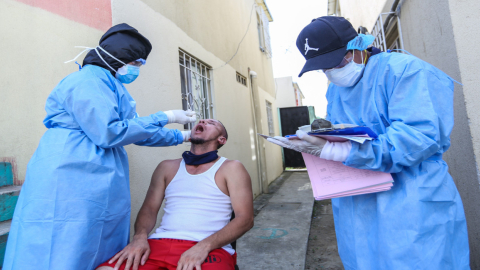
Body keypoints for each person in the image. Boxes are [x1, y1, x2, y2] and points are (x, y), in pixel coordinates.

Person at [268, 16, 470, 269]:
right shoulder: (335, 90)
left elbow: (417, 139)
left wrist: (336, 149)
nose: (331, 71)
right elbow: (342, 133)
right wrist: (322, 142)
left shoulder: (405, 71)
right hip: (357, 204)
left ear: (357, 46)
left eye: (335, 62)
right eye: (323, 67)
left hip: (410, 202)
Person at [3, 23, 197, 270]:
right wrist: (164, 116)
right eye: (136, 63)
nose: (137, 69)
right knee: (64, 240)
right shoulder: (88, 81)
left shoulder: (112, 84)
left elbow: (133, 130)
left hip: (96, 174)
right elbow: (109, 132)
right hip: (70, 171)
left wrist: (183, 137)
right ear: (119, 58)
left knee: (93, 238)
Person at [96, 119, 254, 270]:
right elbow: (149, 209)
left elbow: (245, 219)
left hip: (209, 247)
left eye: (211, 123)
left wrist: (204, 246)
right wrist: (139, 237)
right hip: (159, 244)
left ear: (222, 139)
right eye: (201, 121)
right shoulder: (166, 167)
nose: (203, 122)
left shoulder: (231, 168)